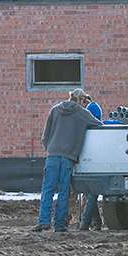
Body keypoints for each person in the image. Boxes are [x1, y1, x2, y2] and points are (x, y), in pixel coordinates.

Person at [36, 89, 102, 233]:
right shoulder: (82, 113)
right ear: (80, 100)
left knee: (47, 189)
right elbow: (99, 125)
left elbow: (45, 135)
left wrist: (50, 148)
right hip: (68, 158)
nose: (85, 105)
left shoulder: (55, 110)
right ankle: (60, 225)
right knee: (64, 192)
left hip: (52, 155)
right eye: (85, 102)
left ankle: (43, 222)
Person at [77, 94, 107, 230]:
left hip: (93, 163)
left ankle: (86, 222)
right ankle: (94, 222)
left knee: (91, 193)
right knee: (89, 193)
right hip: (90, 162)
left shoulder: (92, 126)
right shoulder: (92, 126)